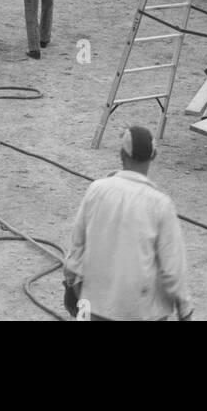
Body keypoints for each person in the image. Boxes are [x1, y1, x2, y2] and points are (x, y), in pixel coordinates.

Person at [63, 125, 193, 322]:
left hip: (96, 305)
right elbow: (172, 267)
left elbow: (77, 244)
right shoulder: (160, 204)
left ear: (121, 155)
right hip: (142, 311)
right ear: (153, 156)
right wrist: (185, 308)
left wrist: (71, 281)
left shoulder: (96, 190)